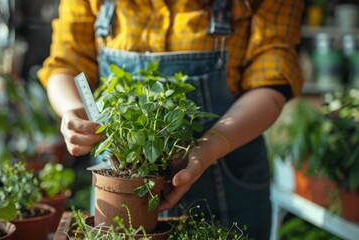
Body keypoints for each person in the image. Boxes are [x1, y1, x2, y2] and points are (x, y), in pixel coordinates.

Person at [38, 0, 304, 239]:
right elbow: (66, 61)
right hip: (120, 192)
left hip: (229, 173)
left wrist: (210, 145)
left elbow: (273, 78)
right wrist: (72, 110)